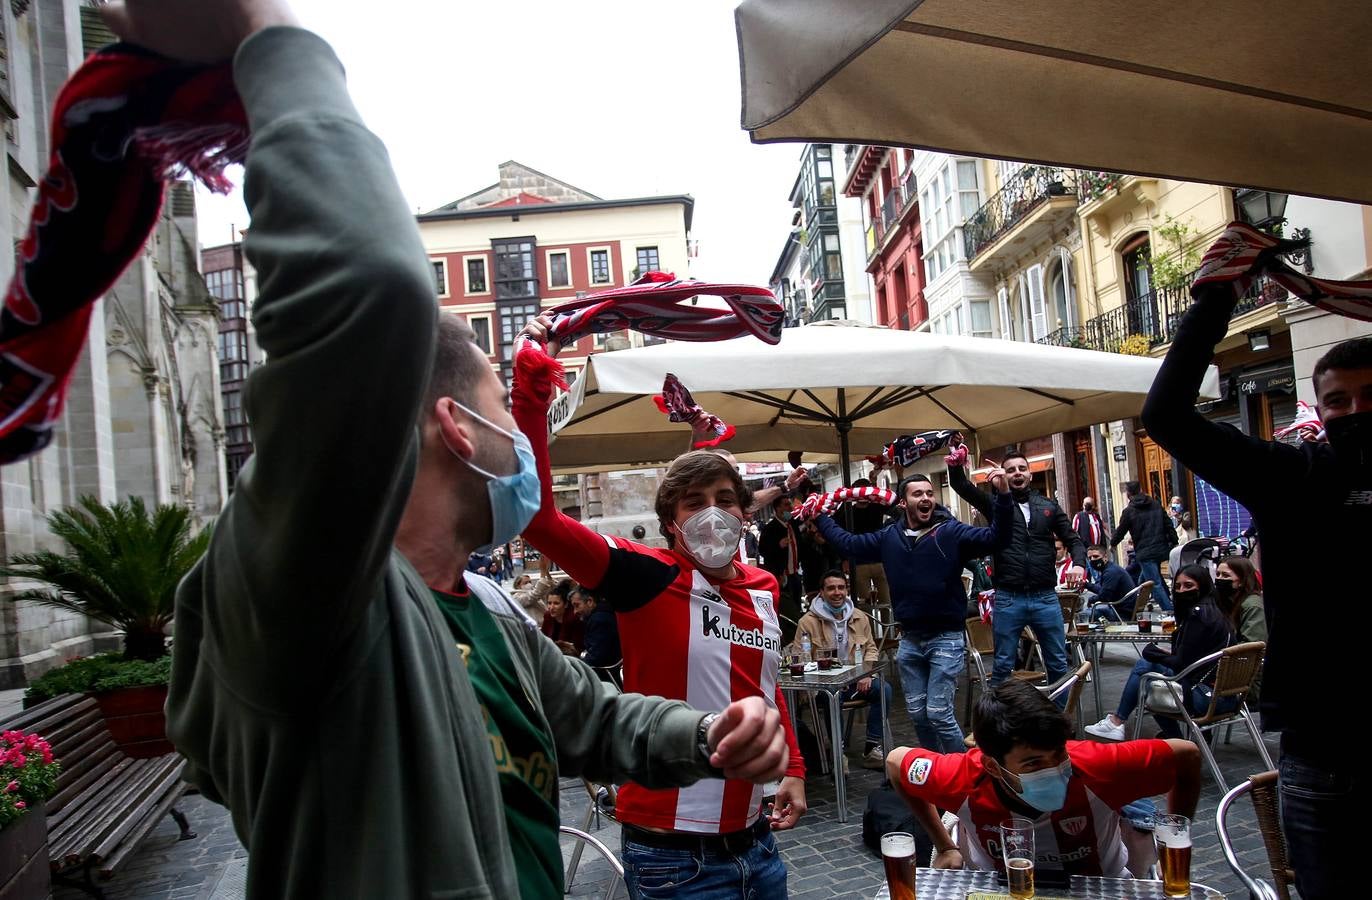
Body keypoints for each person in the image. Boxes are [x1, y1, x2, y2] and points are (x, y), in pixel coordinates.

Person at [154, 6, 792, 897]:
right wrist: (266, 33)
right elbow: (372, 292)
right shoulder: (310, 596)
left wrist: (707, 734)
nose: (523, 431)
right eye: (506, 402)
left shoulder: (487, 609)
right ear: (457, 425)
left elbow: (593, 716)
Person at [515, 317, 808, 899]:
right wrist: (532, 391)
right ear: (671, 522)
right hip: (673, 857)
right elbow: (539, 519)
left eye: (725, 500)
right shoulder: (644, 574)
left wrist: (794, 770)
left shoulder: (763, 587)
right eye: (693, 503)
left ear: (745, 514)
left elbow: (764, 685)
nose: (712, 513)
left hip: (758, 845)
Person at [1143, 240, 1372, 898]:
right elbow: (1166, 416)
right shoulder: (1296, 476)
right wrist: (1216, 297)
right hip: (1319, 751)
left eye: (1370, 397)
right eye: (1338, 402)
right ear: (1320, 410)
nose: (1355, 414)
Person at [888, 680, 1201, 879]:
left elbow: (1186, 755)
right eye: (1033, 762)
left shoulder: (1101, 765)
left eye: (1058, 755)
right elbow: (895, 762)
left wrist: (1175, 839)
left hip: (1099, 884)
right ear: (993, 767)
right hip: (999, 888)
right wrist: (944, 846)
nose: (1054, 768)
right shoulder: (962, 778)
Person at [815, 471, 1013, 753]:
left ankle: (965, 773)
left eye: (929, 494)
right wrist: (820, 515)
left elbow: (999, 538)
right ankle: (936, 770)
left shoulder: (951, 531)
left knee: (938, 713)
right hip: (909, 640)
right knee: (919, 715)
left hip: (945, 638)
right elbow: (849, 545)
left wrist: (1003, 496)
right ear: (903, 503)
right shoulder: (889, 537)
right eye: (917, 494)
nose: (926, 499)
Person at [948, 449, 1086, 690]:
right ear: (1004, 475)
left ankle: (1059, 719)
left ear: (1030, 475)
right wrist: (956, 461)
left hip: (1045, 597)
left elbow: (1073, 539)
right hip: (1009, 598)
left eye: (1022, 469)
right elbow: (961, 485)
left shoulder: (1048, 507)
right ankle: (1005, 721)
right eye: (1010, 470)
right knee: (1002, 665)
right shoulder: (995, 504)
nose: (1017, 473)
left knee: (1057, 662)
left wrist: (1078, 564)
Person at [1085, 566, 1234, 741]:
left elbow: (1181, 664)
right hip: (1226, 692)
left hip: (1206, 696)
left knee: (1148, 680)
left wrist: (1153, 653)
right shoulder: (1215, 610)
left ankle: (1122, 723)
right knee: (1148, 668)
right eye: (1177, 586)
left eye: (1188, 585)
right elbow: (1193, 656)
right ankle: (1120, 723)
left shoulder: (1198, 616)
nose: (1181, 591)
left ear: (1202, 585)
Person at [795, 570, 892, 769]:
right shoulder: (807, 622)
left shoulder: (859, 617)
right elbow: (800, 657)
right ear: (821, 592)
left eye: (841, 587)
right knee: (833, 696)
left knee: (884, 689)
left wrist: (868, 673)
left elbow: (871, 649)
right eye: (831, 588)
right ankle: (838, 753)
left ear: (847, 590)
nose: (837, 592)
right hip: (824, 686)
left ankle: (872, 748)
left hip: (855, 680)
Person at [1110, 482, 1177, 610]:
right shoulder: (1155, 504)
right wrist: (1174, 541)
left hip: (1145, 552)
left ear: (1128, 494)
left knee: (1154, 584)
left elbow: (1121, 530)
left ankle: (1170, 613)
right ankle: (1135, 605)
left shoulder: (1129, 511)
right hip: (1160, 548)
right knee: (1144, 579)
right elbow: (1168, 523)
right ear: (1141, 490)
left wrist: (1113, 544)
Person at [759, 493, 804, 643]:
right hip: (781, 575)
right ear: (777, 509)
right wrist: (778, 545)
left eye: (790, 505)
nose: (789, 508)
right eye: (786, 505)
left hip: (795, 573)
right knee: (786, 610)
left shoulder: (793, 525)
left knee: (797, 607)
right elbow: (763, 550)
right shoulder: (770, 528)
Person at [846, 477, 893, 606]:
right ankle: (870, 626)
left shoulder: (875, 507)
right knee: (865, 603)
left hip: (877, 561)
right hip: (861, 562)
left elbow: (891, 502)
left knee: (885, 602)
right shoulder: (849, 510)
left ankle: (887, 626)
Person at [1082, 544, 1137, 622]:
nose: (1092, 560)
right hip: (1125, 610)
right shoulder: (1111, 568)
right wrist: (1086, 585)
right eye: (1090, 558)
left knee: (1084, 614)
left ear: (1105, 557)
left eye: (1096, 556)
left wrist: (1091, 600)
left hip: (1122, 614)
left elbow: (1104, 597)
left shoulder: (1110, 572)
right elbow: (1104, 590)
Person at [573, 586, 621, 670]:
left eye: (577, 605)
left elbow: (597, 657)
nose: (575, 611)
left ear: (590, 602)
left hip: (604, 673)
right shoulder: (601, 616)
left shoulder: (599, 620)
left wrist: (575, 665)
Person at [540, 581, 585, 655]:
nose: (551, 607)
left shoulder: (574, 618)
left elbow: (579, 647)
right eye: (549, 603)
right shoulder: (548, 616)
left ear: (566, 604)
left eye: (556, 603)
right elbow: (543, 638)